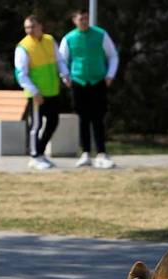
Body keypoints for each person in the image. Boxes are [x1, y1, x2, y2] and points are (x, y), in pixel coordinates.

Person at [59, 9, 119, 169]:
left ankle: (101, 153)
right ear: (74, 20)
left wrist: (110, 75)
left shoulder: (100, 34)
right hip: (79, 82)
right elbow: (61, 59)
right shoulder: (69, 38)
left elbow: (113, 55)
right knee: (83, 118)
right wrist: (65, 76)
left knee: (98, 118)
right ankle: (85, 153)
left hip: (98, 81)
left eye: (86, 19)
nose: (84, 22)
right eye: (81, 19)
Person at [15, 15, 70, 170]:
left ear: (40, 26)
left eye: (32, 27)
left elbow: (59, 61)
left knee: (53, 122)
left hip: (52, 90)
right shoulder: (23, 47)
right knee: (36, 125)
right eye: (27, 27)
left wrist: (65, 75)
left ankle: (41, 152)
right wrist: (34, 91)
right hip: (37, 94)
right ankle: (34, 156)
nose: (29, 30)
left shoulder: (49, 40)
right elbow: (21, 74)